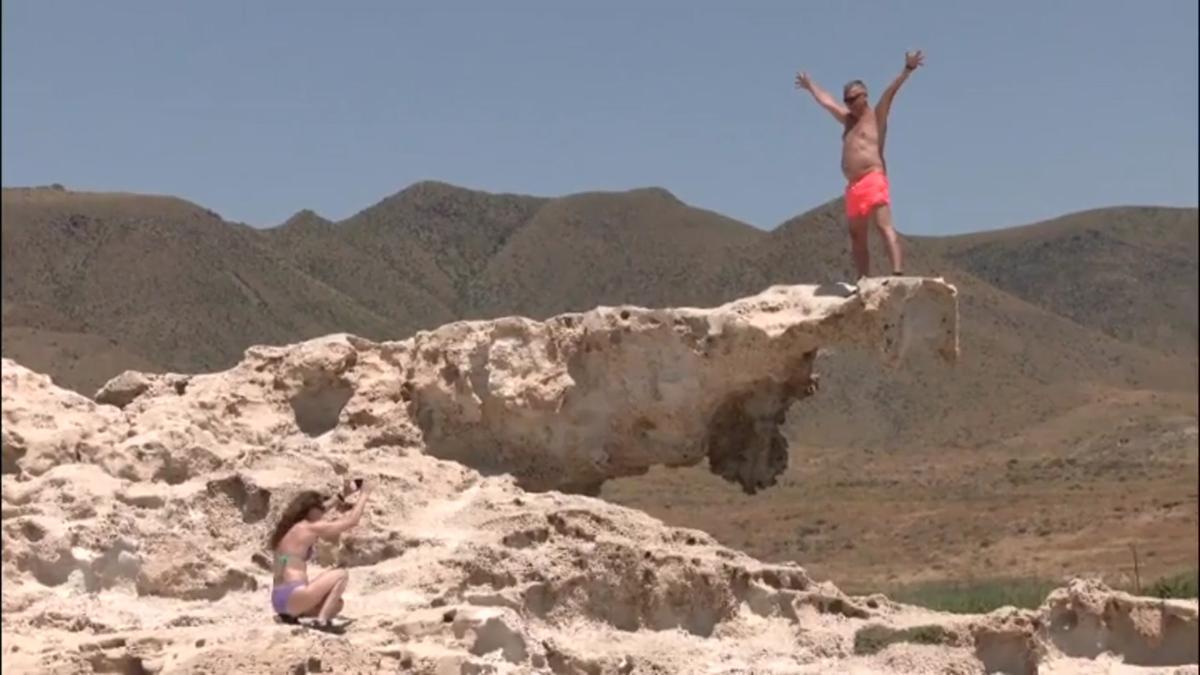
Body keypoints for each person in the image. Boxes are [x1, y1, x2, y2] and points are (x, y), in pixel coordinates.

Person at [795, 50, 925, 282]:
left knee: (883, 225)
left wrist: (908, 70)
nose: (849, 104)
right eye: (847, 100)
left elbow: (890, 93)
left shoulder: (876, 116)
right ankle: (863, 278)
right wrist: (810, 86)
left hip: (873, 176)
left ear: (864, 96)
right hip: (853, 186)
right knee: (857, 235)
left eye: (853, 98)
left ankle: (897, 272)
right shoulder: (847, 120)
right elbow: (827, 102)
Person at [268, 482, 370, 631]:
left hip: (279, 601)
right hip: (294, 595)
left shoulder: (292, 528)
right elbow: (351, 521)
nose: (323, 511)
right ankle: (321, 621)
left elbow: (322, 509)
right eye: (320, 508)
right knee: (341, 574)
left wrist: (343, 495)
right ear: (310, 510)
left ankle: (301, 614)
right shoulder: (310, 527)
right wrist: (364, 495)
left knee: (336, 605)